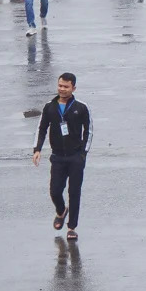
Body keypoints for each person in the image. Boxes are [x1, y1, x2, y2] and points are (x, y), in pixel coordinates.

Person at [33, 72, 91, 240]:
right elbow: (41, 128)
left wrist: (83, 153)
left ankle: (71, 227)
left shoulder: (81, 107)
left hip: (75, 158)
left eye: (66, 86)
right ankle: (61, 211)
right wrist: (37, 149)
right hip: (57, 157)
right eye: (60, 85)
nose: (62, 89)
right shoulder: (50, 107)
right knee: (55, 191)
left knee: (74, 193)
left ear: (73, 88)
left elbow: (89, 130)